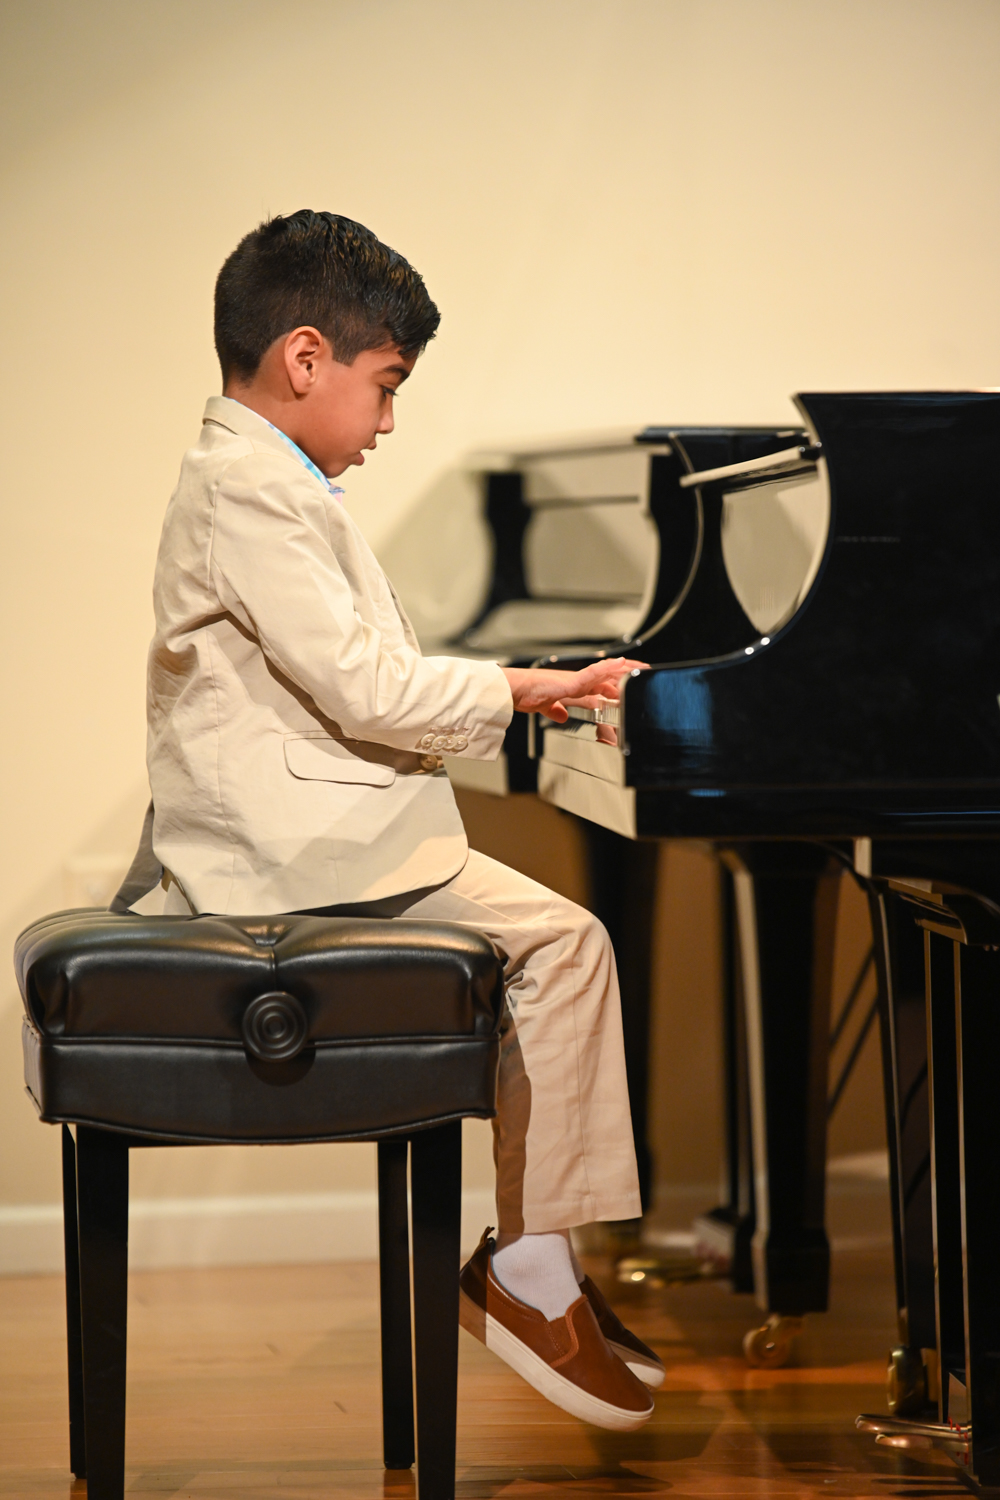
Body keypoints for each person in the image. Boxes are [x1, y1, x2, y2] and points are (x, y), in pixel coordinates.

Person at [134, 209, 664, 1431]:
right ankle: (529, 1273)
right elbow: (370, 691)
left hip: (303, 835)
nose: (386, 422)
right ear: (303, 358)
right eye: (385, 386)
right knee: (566, 945)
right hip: (285, 859)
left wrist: (525, 692)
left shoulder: (261, 480)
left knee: (557, 941)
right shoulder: (248, 489)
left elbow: (358, 679)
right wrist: (534, 688)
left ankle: (540, 1260)